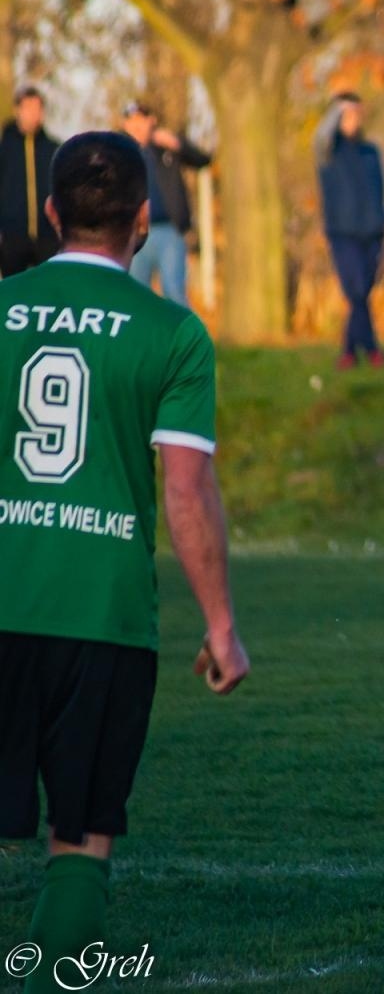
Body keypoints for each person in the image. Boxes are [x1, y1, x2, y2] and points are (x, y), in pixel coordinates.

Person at [0, 131, 249, 994]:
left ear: (49, 211)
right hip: (101, 618)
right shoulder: (173, 334)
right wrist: (221, 627)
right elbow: (186, 493)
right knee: (81, 834)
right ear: (144, 221)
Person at [316, 93, 384, 369]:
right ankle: (370, 349)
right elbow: (322, 134)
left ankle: (350, 350)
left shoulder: (372, 151)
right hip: (342, 231)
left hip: (372, 232)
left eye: (356, 113)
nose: (353, 119)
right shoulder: (327, 152)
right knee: (356, 290)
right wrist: (337, 110)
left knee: (362, 293)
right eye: (346, 114)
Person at [121, 102, 211, 308]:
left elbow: (203, 159)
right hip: (134, 233)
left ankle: (183, 340)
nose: (136, 126)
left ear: (151, 121)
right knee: (136, 295)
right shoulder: (120, 153)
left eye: (140, 120)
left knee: (174, 292)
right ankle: (141, 340)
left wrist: (178, 144)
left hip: (168, 230)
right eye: (131, 121)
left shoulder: (165, 149)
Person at [0, 86, 61, 275]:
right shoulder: (5, 148)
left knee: (48, 290)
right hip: (12, 236)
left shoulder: (53, 149)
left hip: (47, 237)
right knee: (13, 290)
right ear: (18, 110)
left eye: (37, 109)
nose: (33, 114)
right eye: (28, 108)